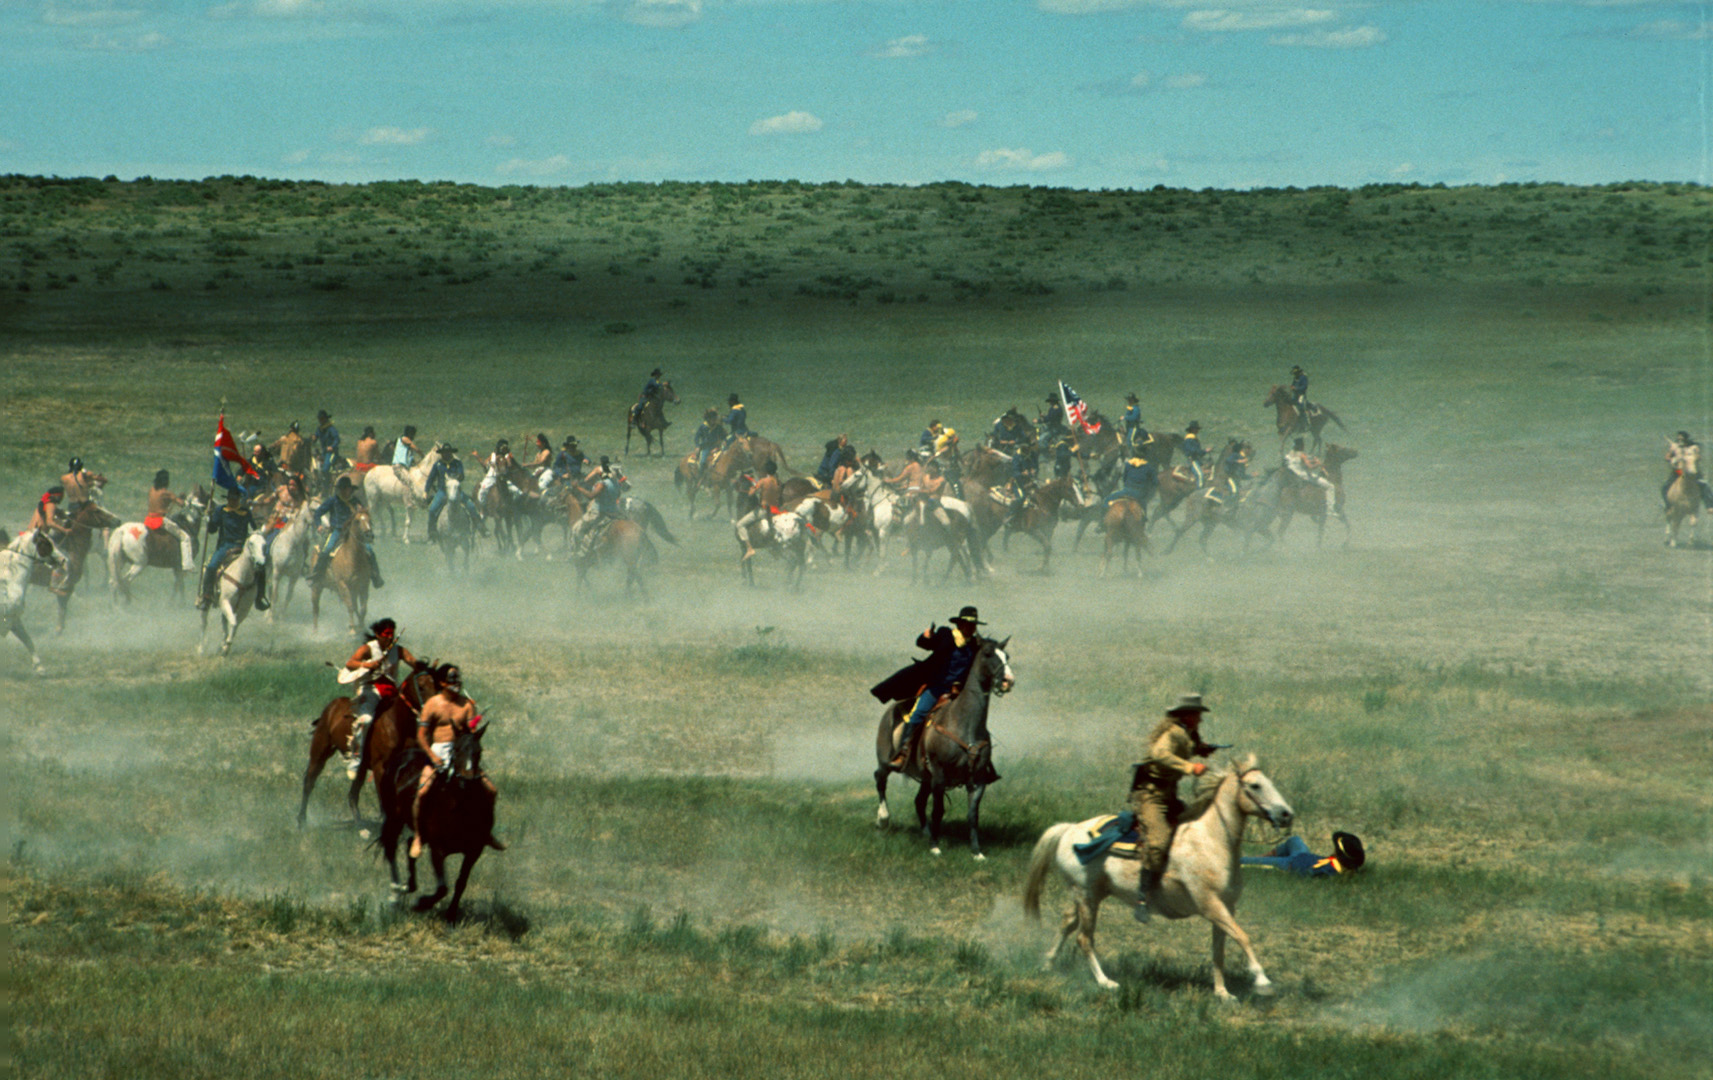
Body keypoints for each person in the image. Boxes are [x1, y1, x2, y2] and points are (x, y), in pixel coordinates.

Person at [1128, 693, 1220, 921]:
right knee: (1159, 843)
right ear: (1186, 715)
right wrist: (1190, 767)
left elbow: (1188, 746)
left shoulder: (1187, 733)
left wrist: (1202, 749)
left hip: (1169, 795)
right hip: (1151, 796)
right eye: (1197, 714)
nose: (1200, 719)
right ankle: (1142, 899)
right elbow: (1159, 754)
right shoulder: (1173, 733)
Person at [410, 662, 503, 858]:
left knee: (491, 791)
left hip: (462, 753)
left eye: (458, 678)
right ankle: (419, 836)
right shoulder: (432, 704)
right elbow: (421, 735)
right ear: (442, 682)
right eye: (452, 680)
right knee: (423, 791)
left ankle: (486, 833)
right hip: (439, 752)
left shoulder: (466, 704)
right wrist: (432, 755)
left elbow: (470, 731)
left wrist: (473, 722)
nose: (457, 683)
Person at [888, 606, 985, 769]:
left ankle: (983, 763)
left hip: (960, 692)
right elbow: (926, 644)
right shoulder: (946, 635)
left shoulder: (975, 645)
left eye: (974, 625)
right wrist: (926, 637)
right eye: (968, 624)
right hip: (937, 688)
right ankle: (903, 753)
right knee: (917, 714)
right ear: (960, 624)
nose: (972, 628)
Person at [340, 617, 418, 781]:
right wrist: (367, 665)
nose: (390, 637)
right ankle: (356, 759)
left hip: (391, 692)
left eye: (392, 634)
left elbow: (412, 661)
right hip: (371, 689)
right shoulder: (368, 649)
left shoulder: (399, 650)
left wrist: (423, 667)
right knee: (366, 720)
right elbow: (350, 663)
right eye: (386, 634)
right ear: (377, 634)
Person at [198, 487, 267, 611]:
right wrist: (209, 520)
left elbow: (253, 528)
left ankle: (260, 597)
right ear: (228, 499)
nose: (233, 502)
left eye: (235, 499)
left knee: (260, 568)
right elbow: (213, 530)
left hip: (242, 546)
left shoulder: (245, 512)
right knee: (211, 567)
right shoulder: (221, 510)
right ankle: (207, 596)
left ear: (239, 499)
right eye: (231, 499)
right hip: (225, 546)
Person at [308, 475, 382, 590]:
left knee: (369, 550)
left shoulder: (355, 501)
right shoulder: (332, 501)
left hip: (354, 532)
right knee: (327, 549)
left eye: (347, 488)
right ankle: (317, 574)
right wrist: (318, 525)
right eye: (343, 488)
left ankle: (375, 576)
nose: (345, 491)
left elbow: (362, 514)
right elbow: (318, 513)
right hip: (337, 531)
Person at [426, 444, 484, 541]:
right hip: (442, 491)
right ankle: (432, 532)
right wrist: (426, 491)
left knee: (471, 506)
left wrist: (458, 477)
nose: (446, 455)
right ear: (442, 454)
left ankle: (480, 526)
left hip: (456, 491)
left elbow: (462, 475)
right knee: (432, 509)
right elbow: (431, 479)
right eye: (444, 453)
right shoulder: (438, 465)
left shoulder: (457, 463)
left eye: (448, 453)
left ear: (450, 453)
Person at [1242, 832, 1366, 877]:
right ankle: (1263, 856)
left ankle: (1257, 860)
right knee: (1295, 840)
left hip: (1289, 865)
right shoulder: (1336, 863)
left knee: (1242, 862)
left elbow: (1310, 874)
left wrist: (1291, 871)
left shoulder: (1331, 871)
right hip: (1302, 855)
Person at [570, 457, 624, 554]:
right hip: (614, 512)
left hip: (598, 512)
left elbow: (591, 496)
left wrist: (577, 487)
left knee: (576, 529)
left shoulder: (602, 484)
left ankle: (578, 552)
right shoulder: (617, 484)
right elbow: (618, 496)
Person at [146, 469, 196, 570]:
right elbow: (181, 504)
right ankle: (187, 565)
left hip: (148, 519)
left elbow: (163, 503)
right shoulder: (166, 493)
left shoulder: (152, 490)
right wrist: (182, 499)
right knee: (185, 537)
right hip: (160, 520)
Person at [733, 459, 783, 559]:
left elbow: (751, 494)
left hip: (763, 511)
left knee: (740, 525)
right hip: (775, 510)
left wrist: (752, 490)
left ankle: (749, 548)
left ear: (765, 471)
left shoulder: (763, 481)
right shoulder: (777, 482)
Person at [1284, 436, 1337, 514]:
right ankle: (1330, 509)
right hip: (1303, 476)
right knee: (1330, 486)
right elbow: (1310, 466)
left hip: (1291, 476)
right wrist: (1318, 464)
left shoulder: (1289, 455)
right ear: (1302, 445)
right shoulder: (1302, 455)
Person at [1664, 431, 1713, 508]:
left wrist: (1691, 457)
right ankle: (1667, 505)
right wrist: (1673, 459)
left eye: (1682, 439)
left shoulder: (1693, 448)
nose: (1680, 441)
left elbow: (1698, 457)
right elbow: (1667, 457)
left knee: (1704, 485)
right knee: (1665, 487)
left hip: (1691, 471)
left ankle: (1710, 506)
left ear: (1686, 439)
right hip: (1678, 471)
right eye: (1679, 439)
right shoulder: (1674, 447)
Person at [692, 409, 725, 475]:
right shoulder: (703, 427)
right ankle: (700, 476)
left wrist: (724, 442)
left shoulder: (718, 427)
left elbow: (724, 436)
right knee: (702, 461)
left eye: (715, 419)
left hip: (716, 447)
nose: (714, 420)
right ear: (708, 419)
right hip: (706, 447)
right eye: (712, 419)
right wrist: (697, 446)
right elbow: (697, 437)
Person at [313, 410, 341, 483]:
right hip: (324, 452)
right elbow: (315, 437)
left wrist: (332, 446)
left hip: (331, 453)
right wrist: (313, 438)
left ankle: (327, 484)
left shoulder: (331, 429)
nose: (320, 421)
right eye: (320, 419)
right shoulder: (319, 429)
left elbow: (337, 439)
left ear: (326, 419)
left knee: (325, 468)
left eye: (322, 419)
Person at [1181, 421, 1209, 486]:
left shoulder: (1193, 438)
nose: (1197, 431)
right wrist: (1205, 451)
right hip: (1193, 461)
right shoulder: (1189, 439)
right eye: (1196, 429)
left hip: (1197, 460)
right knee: (1200, 475)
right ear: (1193, 429)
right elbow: (1193, 451)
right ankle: (1199, 492)